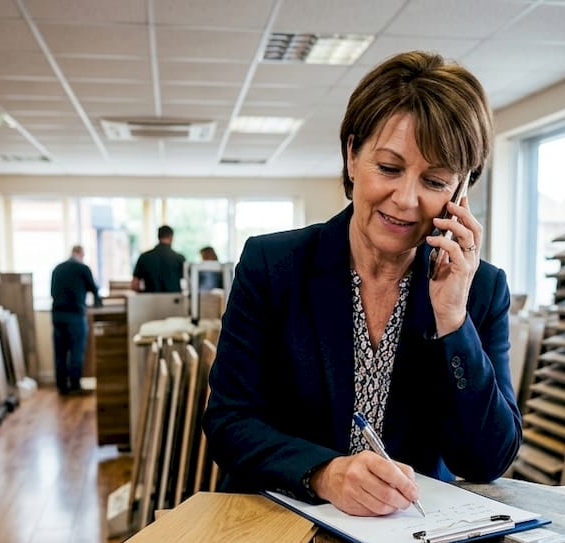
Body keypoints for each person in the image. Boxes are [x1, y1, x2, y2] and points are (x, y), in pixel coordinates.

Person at [202, 51, 520, 517]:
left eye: (434, 181)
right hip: (279, 520)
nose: (406, 199)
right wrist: (324, 473)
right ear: (352, 156)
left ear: (460, 192)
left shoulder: (481, 289)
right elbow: (229, 421)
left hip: (409, 533)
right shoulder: (273, 265)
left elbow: (486, 460)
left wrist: (453, 321)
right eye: (389, 168)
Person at [50, 244, 100, 394]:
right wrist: (98, 303)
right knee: (76, 352)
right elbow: (94, 289)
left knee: (60, 353)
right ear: (81, 254)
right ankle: (75, 385)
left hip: (58, 316)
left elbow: (52, 292)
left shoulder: (57, 268)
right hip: (75, 315)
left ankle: (61, 386)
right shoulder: (82, 268)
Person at [132, 225, 185, 292]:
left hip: (150, 297)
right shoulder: (179, 258)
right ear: (171, 237)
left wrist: (143, 294)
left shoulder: (144, 257)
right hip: (174, 297)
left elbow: (134, 285)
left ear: (158, 237)